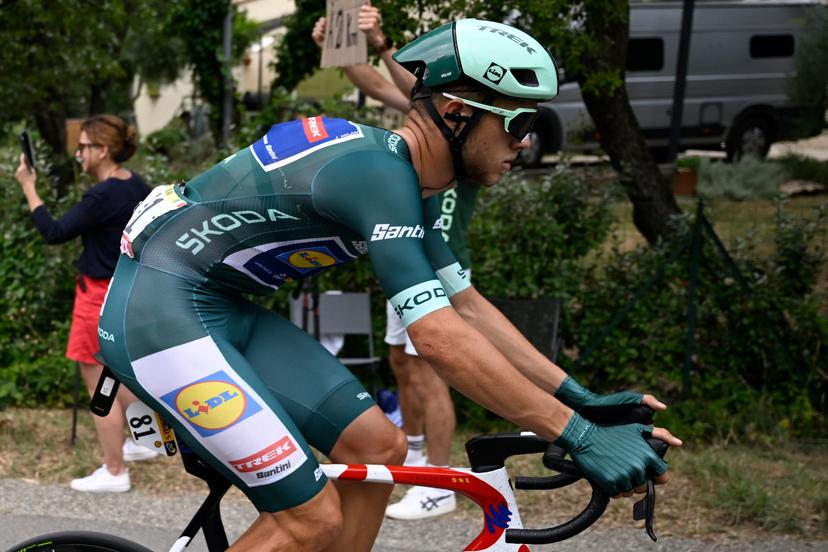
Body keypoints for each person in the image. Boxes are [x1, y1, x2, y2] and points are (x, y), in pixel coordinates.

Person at [98, 19, 682, 551]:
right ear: (457, 114)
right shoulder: (377, 174)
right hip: (157, 314)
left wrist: (577, 397)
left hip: (218, 308)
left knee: (379, 449)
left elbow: (468, 308)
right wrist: (575, 433)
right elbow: (438, 339)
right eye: (517, 122)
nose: (525, 141)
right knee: (311, 519)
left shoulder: (408, 185)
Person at [313, 5, 476, 519]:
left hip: (435, 258)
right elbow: (371, 82)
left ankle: (440, 483)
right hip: (405, 247)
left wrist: (381, 41)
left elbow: (406, 87)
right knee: (403, 362)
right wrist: (340, 47)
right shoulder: (422, 117)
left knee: (432, 370)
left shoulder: (465, 121)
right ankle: (422, 455)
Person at [15, 114, 155, 493]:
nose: (78, 153)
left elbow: (54, 231)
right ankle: (146, 441)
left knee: (97, 382)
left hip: (96, 295)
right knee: (120, 373)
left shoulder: (102, 195)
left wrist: (29, 186)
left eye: (84, 147)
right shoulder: (135, 184)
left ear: (103, 150)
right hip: (125, 291)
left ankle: (114, 472)